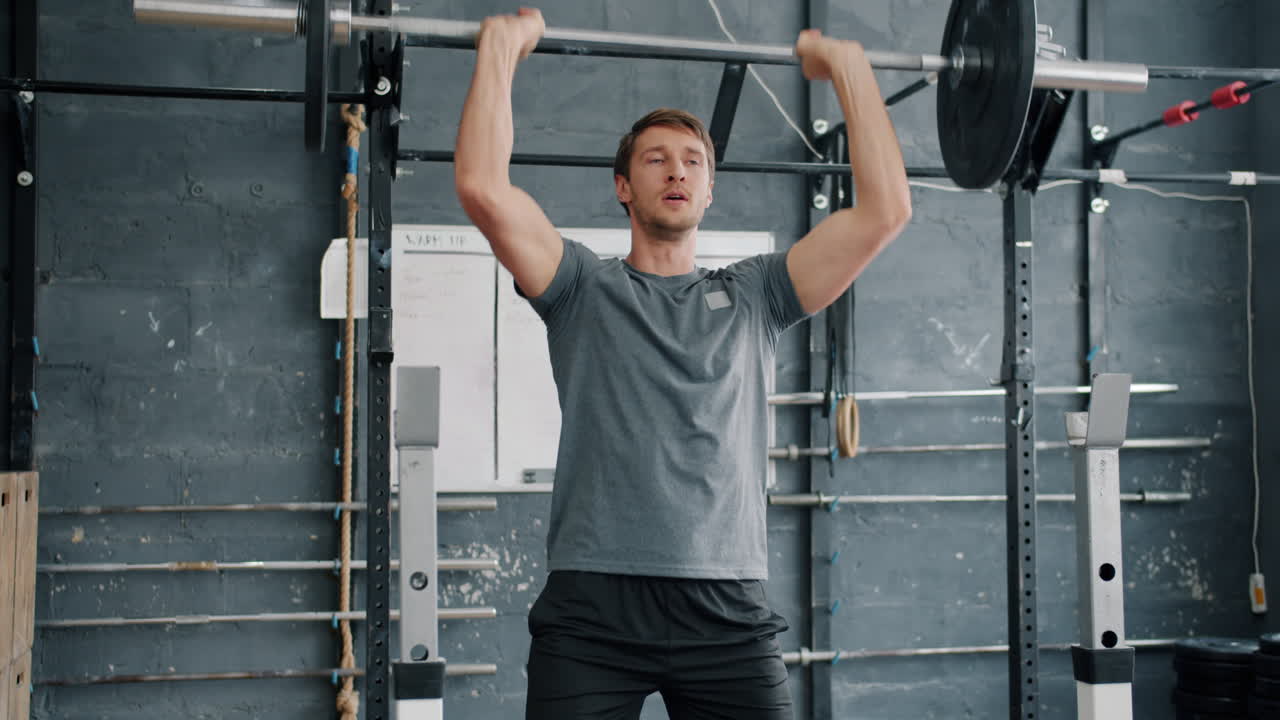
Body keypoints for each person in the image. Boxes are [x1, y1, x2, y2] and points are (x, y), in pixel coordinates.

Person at [455, 8, 911, 719]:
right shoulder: (581, 286)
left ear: (709, 191)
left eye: (693, 161)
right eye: (655, 158)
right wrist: (501, 51)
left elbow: (885, 211)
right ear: (622, 188)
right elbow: (484, 187)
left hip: (726, 609)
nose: (677, 170)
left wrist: (850, 70)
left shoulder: (757, 292)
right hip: (591, 612)